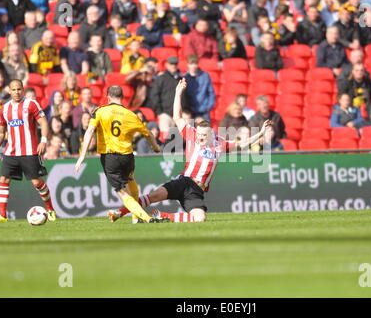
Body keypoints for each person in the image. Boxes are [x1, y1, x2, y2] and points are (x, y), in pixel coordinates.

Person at [107, 79, 273, 223]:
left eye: (203, 135)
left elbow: (242, 144)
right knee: (154, 196)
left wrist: (260, 133)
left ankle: (161, 215)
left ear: (211, 134)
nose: (200, 137)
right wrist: (178, 93)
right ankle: (119, 213)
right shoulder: (192, 135)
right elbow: (177, 117)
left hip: (196, 190)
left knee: (200, 219)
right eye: (199, 134)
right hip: (184, 181)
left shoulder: (219, 144)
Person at [74, 85, 165, 224]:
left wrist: (82, 155)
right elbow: (148, 133)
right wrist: (156, 147)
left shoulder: (100, 111)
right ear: (122, 97)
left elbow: (90, 131)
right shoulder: (131, 115)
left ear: (108, 97)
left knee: (123, 193)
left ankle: (147, 218)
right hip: (127, 157)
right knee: (131, 183)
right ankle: (136, 219)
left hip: (110, 157)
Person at [0, 79, 56, 223]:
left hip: (29, 151)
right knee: (3, 180)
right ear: (9, 90)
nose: (16, 92)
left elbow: (43, 122)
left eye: (19, 89)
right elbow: (1, 132)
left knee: (36, 182)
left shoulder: (31, 104)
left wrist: (44, 140)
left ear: (23, 89)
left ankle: (50, 209)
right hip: (11, 152)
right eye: (13, 90)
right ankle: (2, 216)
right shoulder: (5, 108)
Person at [148, 56, 183, 136]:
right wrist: (159, 112)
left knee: (183, 139)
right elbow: (154, 96)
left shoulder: (181, 79)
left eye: (175, 64)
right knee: (165, 139)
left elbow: (184, 97)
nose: (173, 65)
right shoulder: (161, 78)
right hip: (165, 114)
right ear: (167, 65)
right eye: (171, 63)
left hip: (180, 114)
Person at [184, 54, 215, 120]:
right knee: (190, 130)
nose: (193, 66)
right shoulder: (185, 78)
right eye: (191, 63)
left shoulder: (205, 76)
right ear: (188, 64)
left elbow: (211, 92)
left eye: (195, 63)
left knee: (206, 129)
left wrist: (209, 106)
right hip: (190, 111)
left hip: (204, 110)